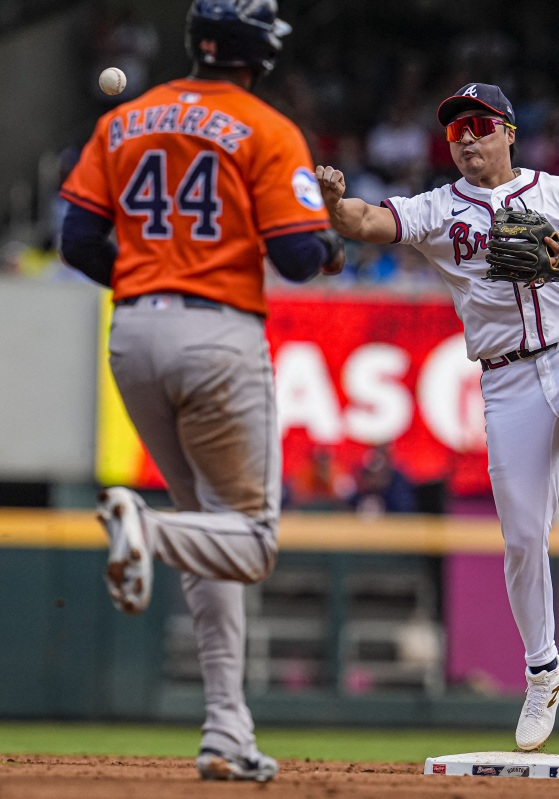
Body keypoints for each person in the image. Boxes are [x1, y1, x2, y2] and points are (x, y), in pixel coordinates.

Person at [314, 83, 559, 752]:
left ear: (509, 131)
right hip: (508, 378)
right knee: (524, 536)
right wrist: (330, 203)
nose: (466, 138)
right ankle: (544, 668)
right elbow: (364, 222)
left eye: (478, 124)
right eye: (454, 131)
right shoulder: (440, 209)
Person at [58, 0, 344, 783]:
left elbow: (77, 238)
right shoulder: (267, 125)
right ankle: (139, 526)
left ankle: (226, 731)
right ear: (261, 54)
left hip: (134, 333)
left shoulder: (127, 117)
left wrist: (152, 283)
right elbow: (294, 255)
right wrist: (329, 240)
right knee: (250, 540)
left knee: (212, 536)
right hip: (217, 336)